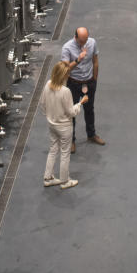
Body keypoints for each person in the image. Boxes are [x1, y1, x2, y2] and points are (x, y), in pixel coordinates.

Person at [42, 61, 88, 190]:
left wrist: (51, 116)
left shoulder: (47, 85)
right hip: (64, 127)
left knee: (53, 150)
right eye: (68, 74)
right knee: (65, 153)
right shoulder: (65, 91)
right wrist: (80, 103)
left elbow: (43, 105)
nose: (69, 76)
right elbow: (71, 112)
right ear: (64, 75)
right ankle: (64, 181)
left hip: (52, 125)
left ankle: (48, 178)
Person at [60, 26, 104, 152]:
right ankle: (71, 140)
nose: (84, 44)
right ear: (75, 37)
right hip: (74, 84)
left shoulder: (92, 42)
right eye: (81, 41)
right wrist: (78, 60)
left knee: (89, 109)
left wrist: (94, 79)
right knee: (71, 112)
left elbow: (95, 61)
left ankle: (91, 135)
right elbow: (65, 69)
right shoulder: (67, 48)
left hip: (89, 83)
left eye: (85, 40)